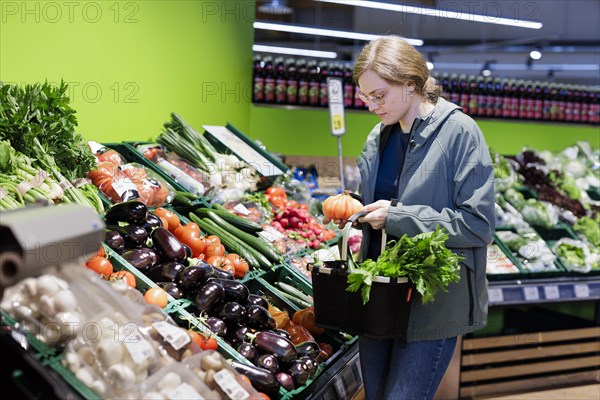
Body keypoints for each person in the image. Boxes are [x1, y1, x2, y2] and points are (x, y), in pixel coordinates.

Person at [330, 36, 495, 400]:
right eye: (365, 96)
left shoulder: (460, 134)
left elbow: (477, 224)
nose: (371, 105)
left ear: (411, 84)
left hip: (431, 307)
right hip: (378, 300)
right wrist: (352, 208)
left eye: (380, 95)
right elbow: (384, 202)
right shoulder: (379, 137)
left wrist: (398, 217)